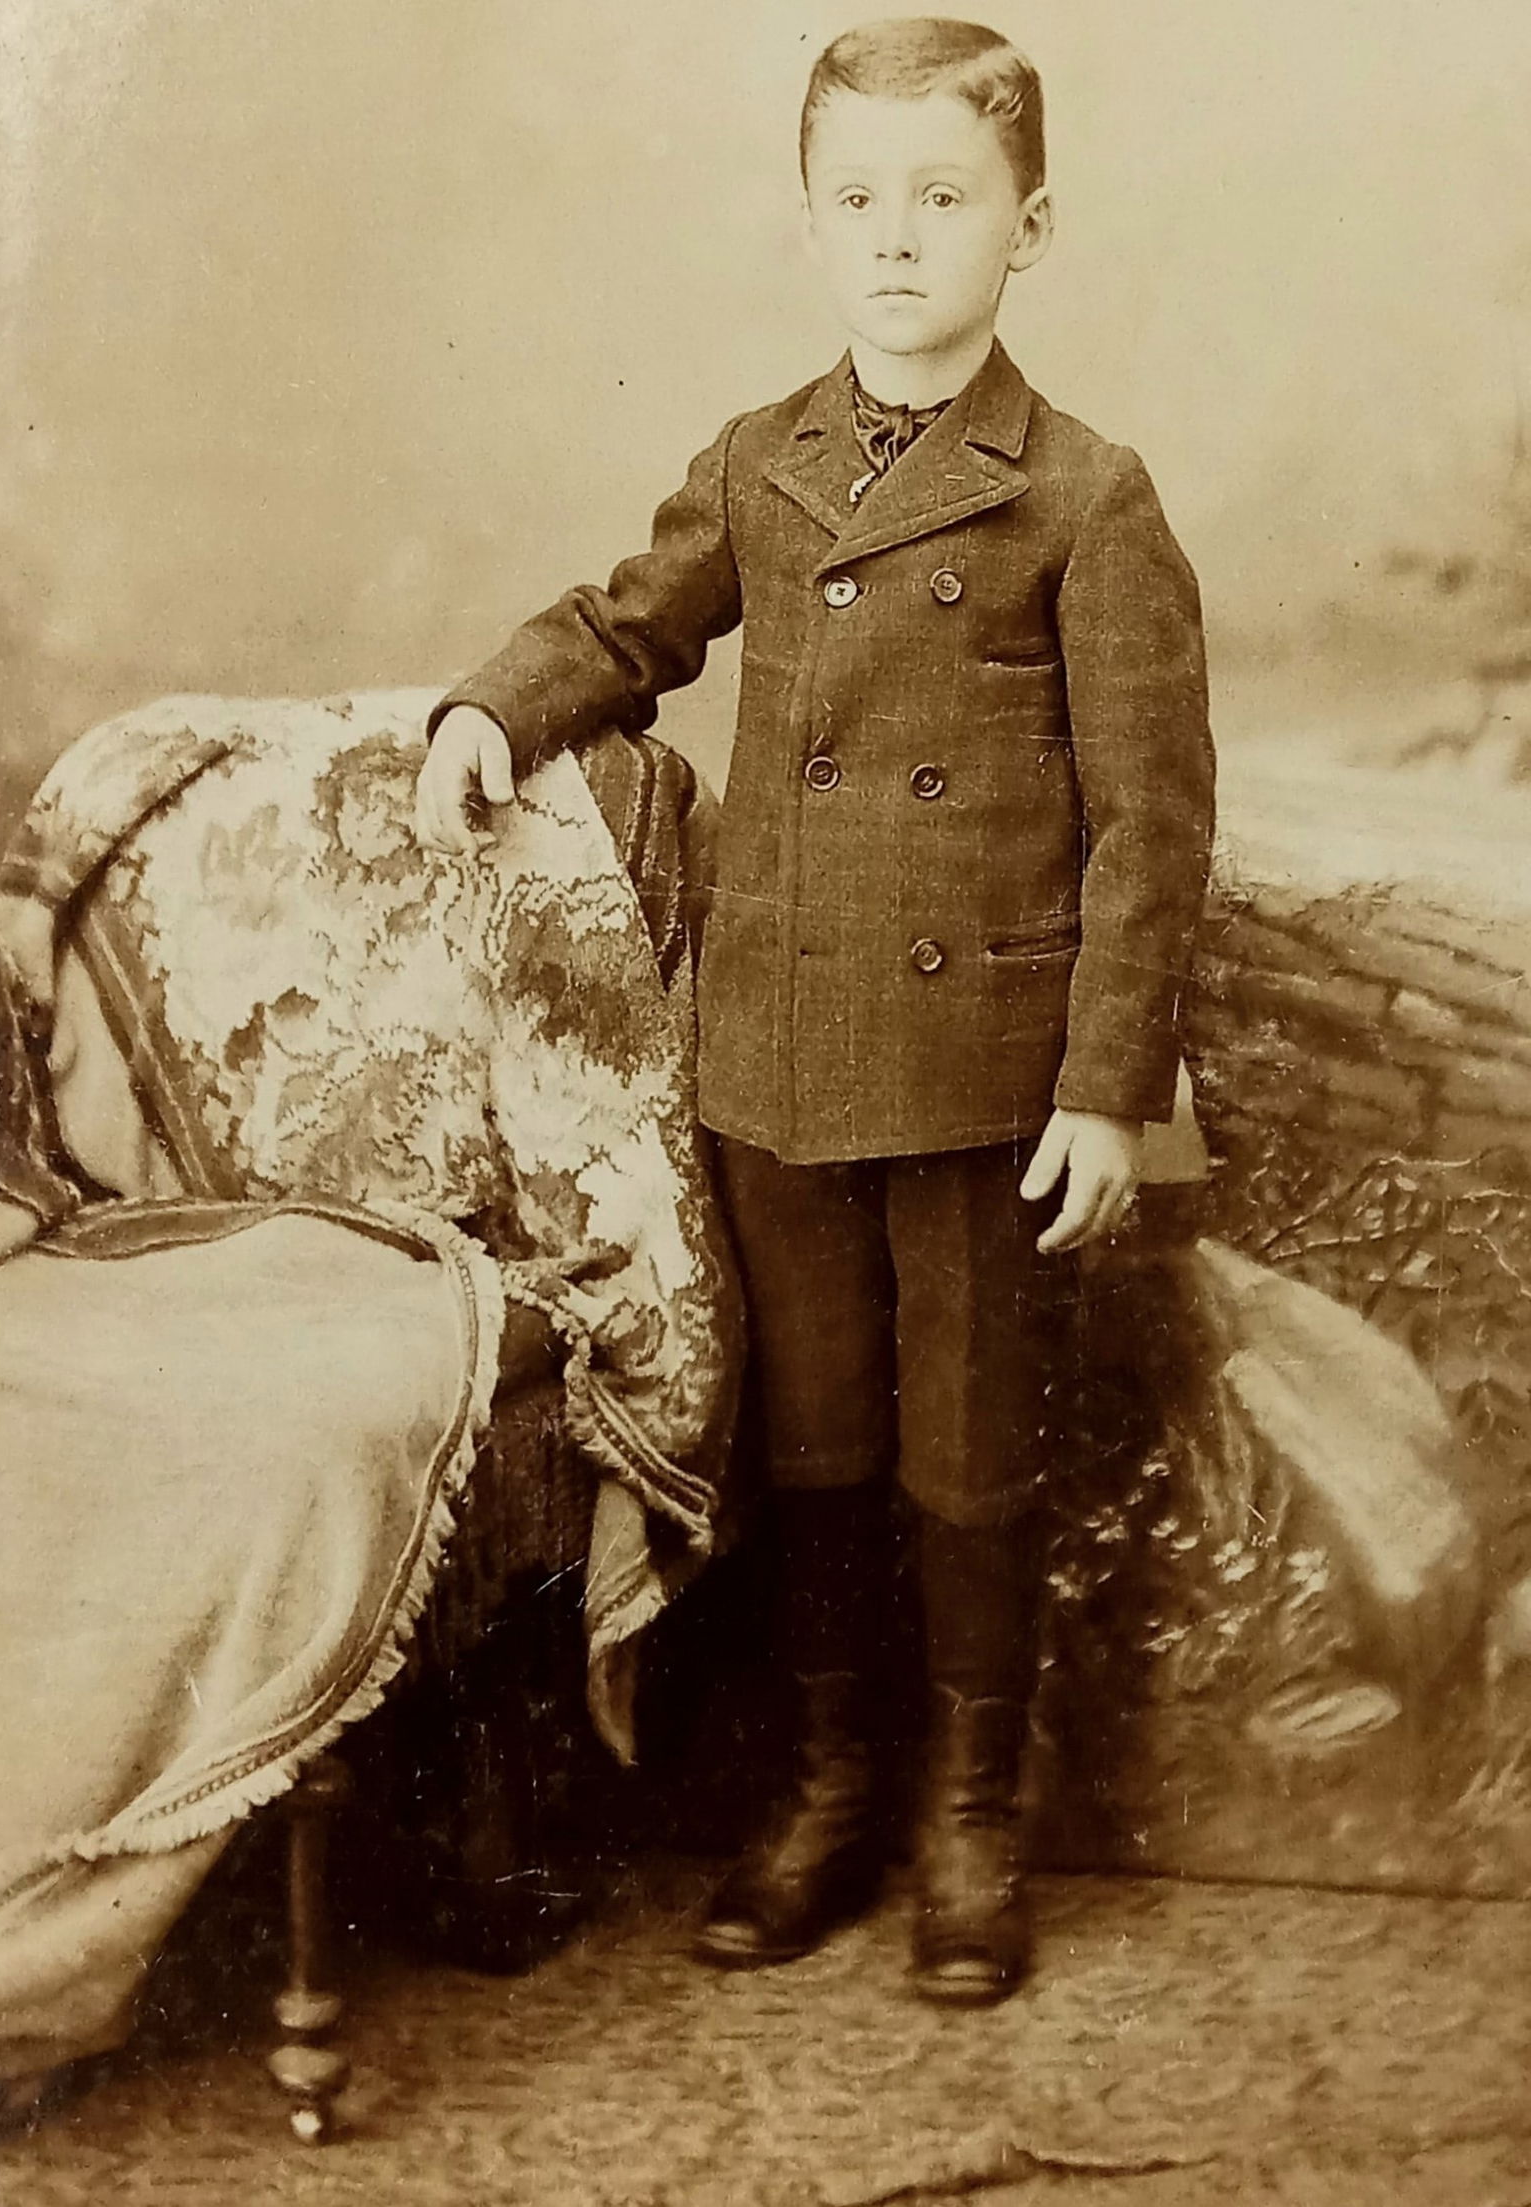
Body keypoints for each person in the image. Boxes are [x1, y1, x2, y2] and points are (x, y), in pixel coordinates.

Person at [415, 17, 1215, 2006]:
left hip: (979, 1078)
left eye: (941, 197)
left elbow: (1151, 827)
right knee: (822, 1439)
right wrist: (489, 709)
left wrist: (1105, 1088)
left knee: (968, 1456)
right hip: (779, 1057)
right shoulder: (758, 461)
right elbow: (629, 625)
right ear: (806, 224)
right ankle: (830, 1788)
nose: (895, 238)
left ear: (1030, 227)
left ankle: (970, 1812)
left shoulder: (1084, 497)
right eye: (855, 199)